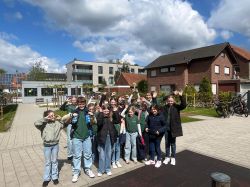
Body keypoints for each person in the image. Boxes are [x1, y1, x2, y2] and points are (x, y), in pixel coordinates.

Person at [34, 110, 67, 187]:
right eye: (50, 116)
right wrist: (45, 119)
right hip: (47, 146)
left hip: (55, 145)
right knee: (48, 162)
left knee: (54, 161)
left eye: (53, 115)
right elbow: (36, 123)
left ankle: (54, 177)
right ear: (46, 117)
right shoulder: (43, 124)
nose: (52, 117)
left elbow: (64, 124)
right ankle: (46, 178)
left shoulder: (57, 123)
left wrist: (60, 119)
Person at [71, 97, 95, 183]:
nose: (81, 105)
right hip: (76, 137)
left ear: (85, 103)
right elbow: (68, 122)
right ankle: (76, 172)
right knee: (77, 156)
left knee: (87, 154)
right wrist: (71, 116)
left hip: (86, 136)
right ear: (77, 104)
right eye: (80, 103)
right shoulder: (74, 112)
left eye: (83, 103)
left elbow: (93, 123)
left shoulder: (87, 112)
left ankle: (88, 169)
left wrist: (92, 116)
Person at [162, 90, 186, 166]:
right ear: (167, 101)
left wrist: (181, 96)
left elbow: (184, 105)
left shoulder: (177, 107)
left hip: (173, 128)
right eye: (169, 101)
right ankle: (167, 157)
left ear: (174, 101)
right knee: (167, 143)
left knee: (173, 144)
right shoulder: (164, 107)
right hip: (166, 128)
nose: (170, 102)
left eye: (172, 101)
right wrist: (171, 94)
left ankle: (173, 157)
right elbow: (162, 99)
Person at [96, 104, 118, 176]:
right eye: (104, 109)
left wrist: (115, 112)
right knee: (102, 155)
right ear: (102, 110)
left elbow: (117, 120)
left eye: (107, 109)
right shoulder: (100, 115)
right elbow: (99, 123)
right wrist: (101, 113)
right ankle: (101, 170)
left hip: (110, 137)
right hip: (102, 137)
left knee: (108, 154)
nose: (106, 111)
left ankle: (107, 169)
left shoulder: (111, 117)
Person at [60, 96, 77, 160]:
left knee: (75, 139)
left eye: (75, 100)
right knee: (69, 140)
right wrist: (65, 102)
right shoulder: (68, 106)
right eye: (73, 100)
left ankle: (75, 152)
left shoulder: (77, 106)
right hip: (69, 124)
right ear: (71, 100)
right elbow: (61, 108)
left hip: (76, 124)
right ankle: (70, 155)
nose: (74, 101)